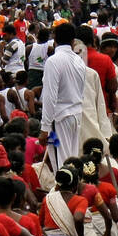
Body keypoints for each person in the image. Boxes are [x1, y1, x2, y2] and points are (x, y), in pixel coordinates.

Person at [40, 21, 86, 171]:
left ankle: (66, 190)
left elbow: (49, 96)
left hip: (60, 118)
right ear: (73, 42)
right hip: (75, 115)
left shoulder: (53, 61)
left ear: (55, 40)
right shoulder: (79, 60)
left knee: (62, 162)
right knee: (71, 158)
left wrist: (45, 127)